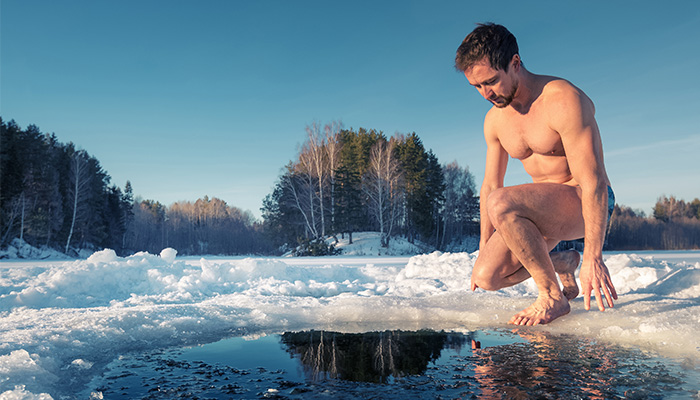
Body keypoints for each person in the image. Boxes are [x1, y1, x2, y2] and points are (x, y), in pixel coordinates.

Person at [454, 23, 617, 325]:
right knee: (488, 276)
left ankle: (551, 295)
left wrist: (594, 256)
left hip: (586, 200)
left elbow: (593, 181)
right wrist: (484, 246)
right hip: (540, 210)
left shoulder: (562, 99)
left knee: (503, 202)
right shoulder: (494, 120)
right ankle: (562, 261)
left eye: (491, 81)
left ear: (514, 63)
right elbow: (490, 184)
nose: (485, 93)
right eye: (476, 86)